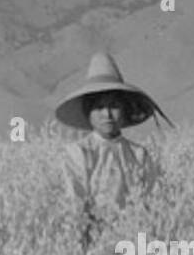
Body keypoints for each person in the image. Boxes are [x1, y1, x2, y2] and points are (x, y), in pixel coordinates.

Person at [55, 52, 173, 230]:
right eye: (100, 107)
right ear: (89, 113)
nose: (107, 115)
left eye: (114, 107)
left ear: (124, 111)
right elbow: (74, 204)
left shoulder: (139, 155)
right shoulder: (78, 153)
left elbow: (153, 202)